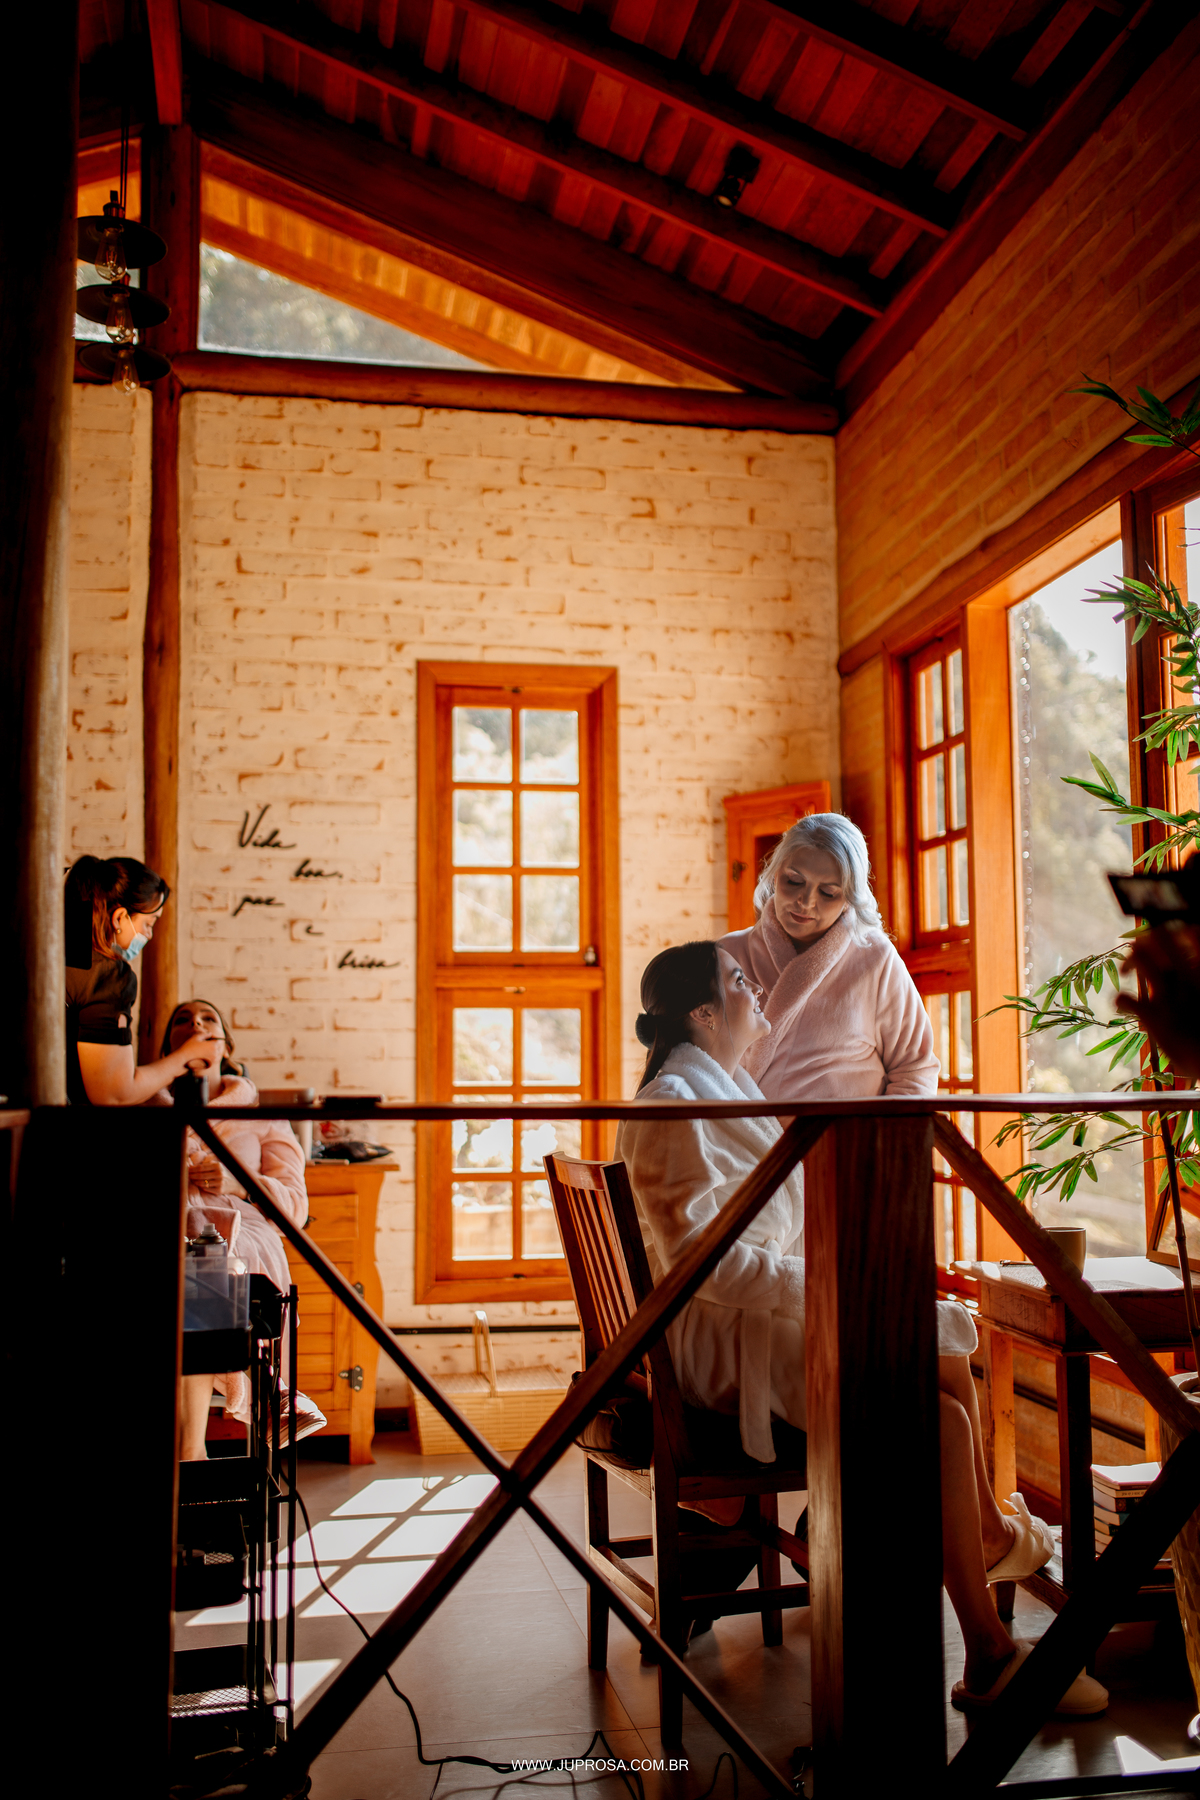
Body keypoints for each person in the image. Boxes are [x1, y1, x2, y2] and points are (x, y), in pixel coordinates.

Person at [617, 942, 1106, 1714]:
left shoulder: (720, 1086)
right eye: (738, 979)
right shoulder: (675, 1105)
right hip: (724, 1345)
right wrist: (827, 1290)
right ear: (703, 1013)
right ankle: (986, 1637)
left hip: (749, 1322)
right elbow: (702, 1266)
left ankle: (985, 1567)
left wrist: (841, 1278)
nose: (754, 985)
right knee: (936, 1409)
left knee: (938, 1347)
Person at [718, 812, 1052, 1593]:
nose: (805, 903)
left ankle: (975, 1537)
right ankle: (985, 1539)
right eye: (793, 882)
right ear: (770, 875)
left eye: (828, 893)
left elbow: (916, 1069)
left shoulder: (873, 960)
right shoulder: (723, 959)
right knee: (925, 1361)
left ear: (852, 897)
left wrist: (877, 1154)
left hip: (848, 1187)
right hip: (751, 1197)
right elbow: (690, 1083)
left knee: (927, 1349)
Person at [160, 998, 327, 1459]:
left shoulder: (259, 1113)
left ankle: (191, 1449)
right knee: (197, 1259)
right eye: (182, 1020)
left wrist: (237, 1181)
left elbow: (295, 1208)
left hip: (240, 1233)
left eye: (207, 1019)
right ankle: (268, 1390)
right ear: (168, 1047)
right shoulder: (147, 1105)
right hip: (167, 1226)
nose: (195, 1024)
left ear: (225, 1046)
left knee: (208, 1258)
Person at [64, 855, 220, 1105]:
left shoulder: (51, 958)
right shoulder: (106, 976)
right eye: (149, 922)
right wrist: (183, 1057)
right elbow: (113, 1094)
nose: (149, 934)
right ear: (120, 918)